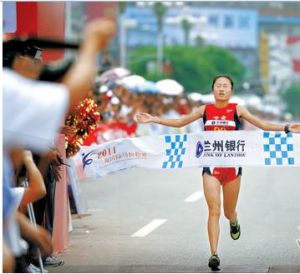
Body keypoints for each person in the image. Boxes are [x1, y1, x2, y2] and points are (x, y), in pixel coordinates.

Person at [135, 75, 300, 271]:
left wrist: (287, 128)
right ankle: (214, 254)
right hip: (210, 168)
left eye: (226, 86)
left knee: (228, 211)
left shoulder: (237, 109)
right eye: (218, 86)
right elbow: (181, 122)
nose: (222, 89)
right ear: (213, 90)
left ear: (231, 90)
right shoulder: (204, 110)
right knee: (214, 209)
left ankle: (234, 220)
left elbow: (262, 125)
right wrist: (154, 119)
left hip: (232, 169)